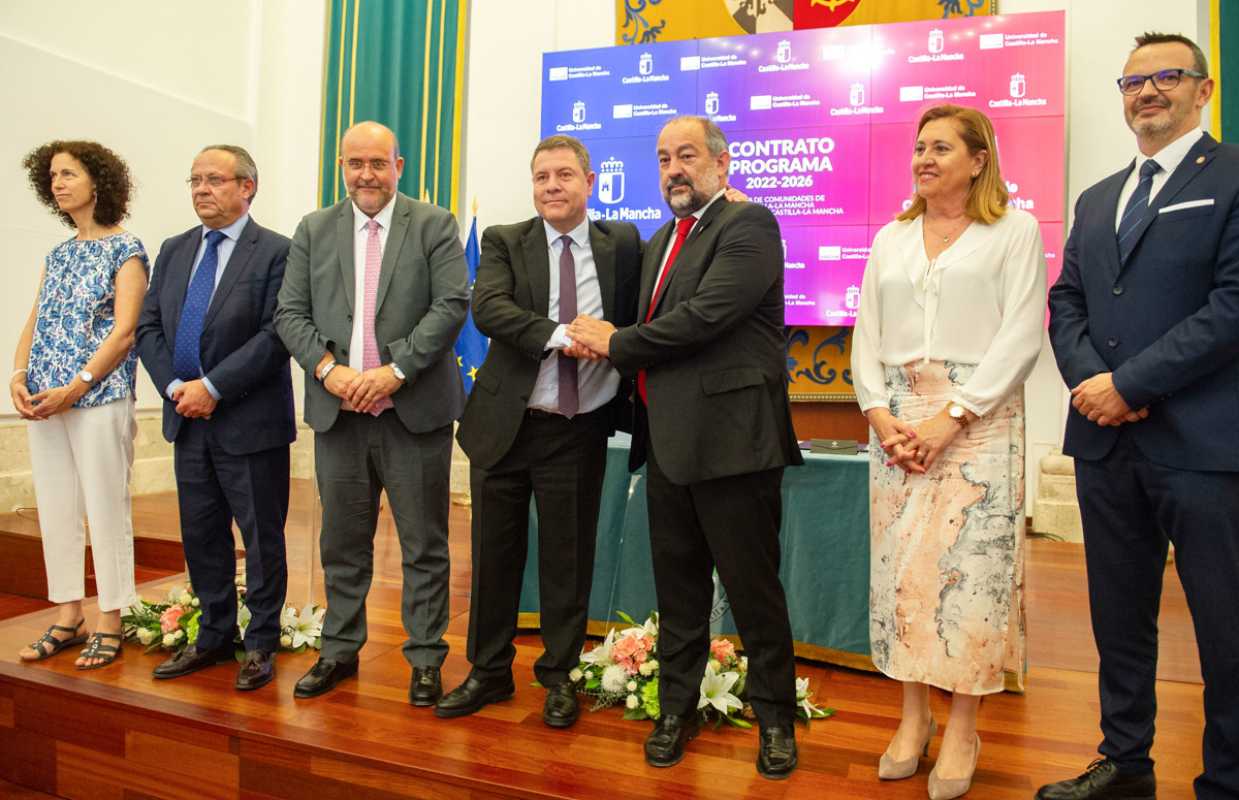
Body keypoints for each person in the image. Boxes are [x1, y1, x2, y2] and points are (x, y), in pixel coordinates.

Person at [568, 116, 802, 780]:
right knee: (677, 593)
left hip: (732, 445)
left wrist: (612, 340)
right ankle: (677, 709)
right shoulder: (659, 240)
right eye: (664, 157)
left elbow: (703, 318)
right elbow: (659, 328)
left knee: (753, 592)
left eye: (688, 155)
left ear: (721, 164)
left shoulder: (748, 225)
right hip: (666, 442)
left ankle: (776, 720)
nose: (674, 168)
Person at [1041, 32, 1239, 800]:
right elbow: (1066, 302)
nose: (1145, 92)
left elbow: (1230, 306)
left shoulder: (1229, 179)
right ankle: (1125, 763)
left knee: (1224, 629)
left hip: (1202, 446)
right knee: (1117, 619)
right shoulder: (1097, 197)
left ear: (1202, 88)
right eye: (1132, 81)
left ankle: (1225, 780)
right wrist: (1094, 382)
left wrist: (1129, 381)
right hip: (1104, 445)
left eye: (1164, 77)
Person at [850, 104, 1045, 800]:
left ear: (978, 159)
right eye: (918, 147)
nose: (924, 158)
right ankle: (912, 719)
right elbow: (865, 336)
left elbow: (1021, 333)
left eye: (941, 147)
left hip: (979, 424)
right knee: (903, 577)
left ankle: (963, 726)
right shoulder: (890, 238)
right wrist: (876, 411)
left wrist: (953, 416)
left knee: (970, 581)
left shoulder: (1013, 231)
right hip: (897, 427)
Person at [437, 135, 641, 726]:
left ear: (590, 181)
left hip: (579, 430)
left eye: (563, 176)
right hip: (507, 425)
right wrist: (564, 337)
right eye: (541, 177)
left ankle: (559, 676)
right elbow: (489, 310)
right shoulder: (505, 240)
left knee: (567, 560)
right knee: (495, 557)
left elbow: (648, 303)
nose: (551, 186)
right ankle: (489, 671)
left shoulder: (621, 243)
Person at [274, 121, 468, 704]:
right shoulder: (314, 229)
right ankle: (338, 651)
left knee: (425, 545)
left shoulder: (433, 223)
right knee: (342, 542)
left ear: (398, 166)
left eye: (378, 163)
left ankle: (427, 659)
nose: (366, 174)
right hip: (340, 415)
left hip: (413, 412)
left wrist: (394, 371)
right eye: (355, 163)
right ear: (342, 165)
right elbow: (290, 313)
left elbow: (452, 303)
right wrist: (331, 372)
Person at [136, 145, 294, 690]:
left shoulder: (276, 251)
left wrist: (215, 387)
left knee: (261, 536)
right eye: (195, 180)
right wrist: (177, 388)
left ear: (247, 187)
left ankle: (261, 643)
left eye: (215, 179)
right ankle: (213, 635)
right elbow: (148, 327)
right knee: (201, 534)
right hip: (188, 420)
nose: (202, 189)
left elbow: (278, 334)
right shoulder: (175, 249)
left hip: (250, 423)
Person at [12, 140, 148, 669]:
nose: (58, 183)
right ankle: (69, 614)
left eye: (69, 173)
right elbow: (36, 319)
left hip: (99, 397)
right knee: (56, 506)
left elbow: (124, 331)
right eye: (51, 176)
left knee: (105, 503)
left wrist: (77, 385)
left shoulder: (126, 247)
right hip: (45, 400)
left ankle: (112, 616)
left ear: (99, 181)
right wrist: (19, 375)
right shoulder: (59, 253)